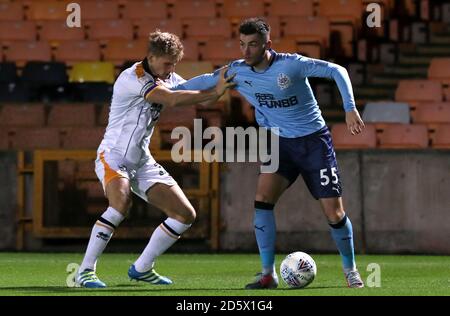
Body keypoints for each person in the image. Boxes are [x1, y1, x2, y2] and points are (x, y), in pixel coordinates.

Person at [175, 18, 366, 289]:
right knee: (262, 199)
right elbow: (205, 82)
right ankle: (268, 274)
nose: (246, 51)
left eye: (253, 45)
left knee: (334, 214)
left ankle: (351, 270)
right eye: (242, 44)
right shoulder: (238, 72)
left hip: (314, 144)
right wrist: (168, 89)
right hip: (281, 145)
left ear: (267, 44)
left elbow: (338, 70)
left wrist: (350, 107)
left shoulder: (292, 65)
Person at [75, 30, 235, 288]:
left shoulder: (167, 76)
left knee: (184, 215)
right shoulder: (133, 77)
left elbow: (194, 84)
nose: (171, 69)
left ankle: (142, 267)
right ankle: (85, 271)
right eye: (167, 63)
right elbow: (171, 98)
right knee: (120, 204)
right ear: (151, 57)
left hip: (141, 161)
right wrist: (214, 93)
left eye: (174, 63)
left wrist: (229, 73)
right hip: (113, 156)